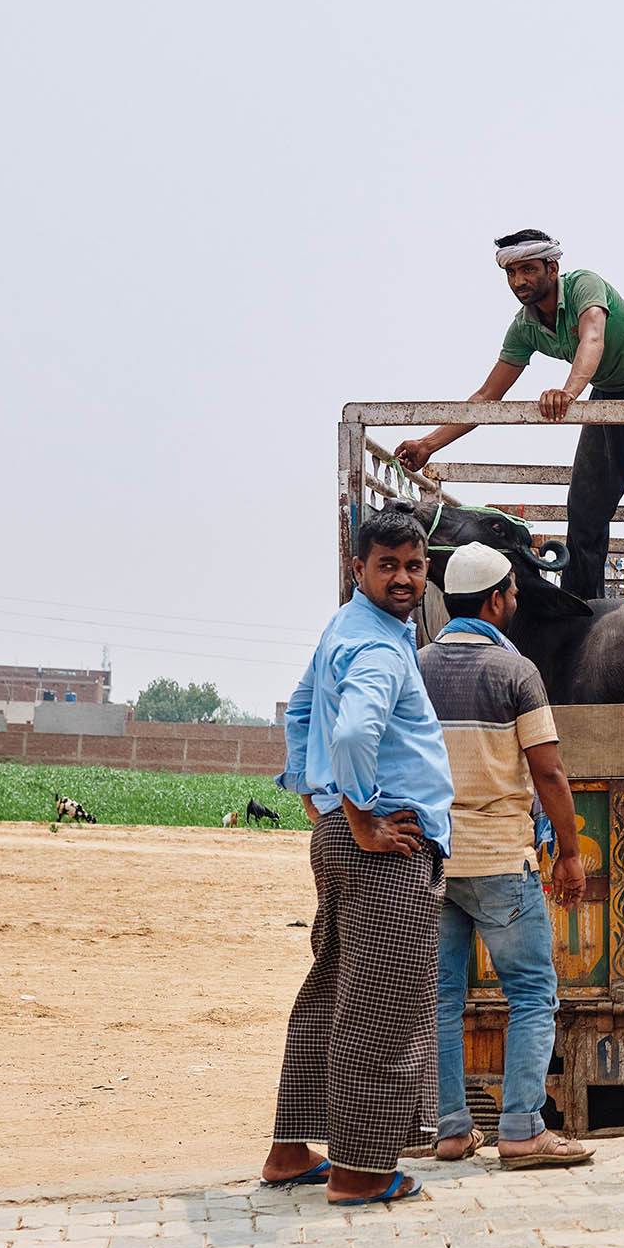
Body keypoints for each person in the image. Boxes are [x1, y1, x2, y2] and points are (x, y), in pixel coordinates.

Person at [392, 230, 624, 635]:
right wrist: (428, 444)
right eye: (512, 273)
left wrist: (568, 392)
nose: (519, 281)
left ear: (552, 268)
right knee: (585, 505)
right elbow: (486, 396)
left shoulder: (585, 284)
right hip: (607, 394)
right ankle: (580, 613)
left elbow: (592, 338)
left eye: (528, 270)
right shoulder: (525, 327)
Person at [261, 510, 455, 1205]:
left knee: (333, 992)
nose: (403, 578)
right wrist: (363, 815)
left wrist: (310, 792)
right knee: (385, 1006)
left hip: (342, 840)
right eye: (387, 565)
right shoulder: (375, 646)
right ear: (359, 570)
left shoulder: (346, 630)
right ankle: (361, 1173)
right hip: (386, 843)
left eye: (414, 564)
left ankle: (291, 1150)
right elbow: (350, 732)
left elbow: (302, 710)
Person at [416, 542, 595, 1171]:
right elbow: (548, 772)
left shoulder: (418, 666)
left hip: (434, 859)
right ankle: (521, 1128)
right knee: (530, 989)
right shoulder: (516, 673)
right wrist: (569, 855)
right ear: (495, 599)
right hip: (499, 859)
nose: (516, 602)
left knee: (441, 999)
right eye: (514, 592)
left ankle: (450, 1129)